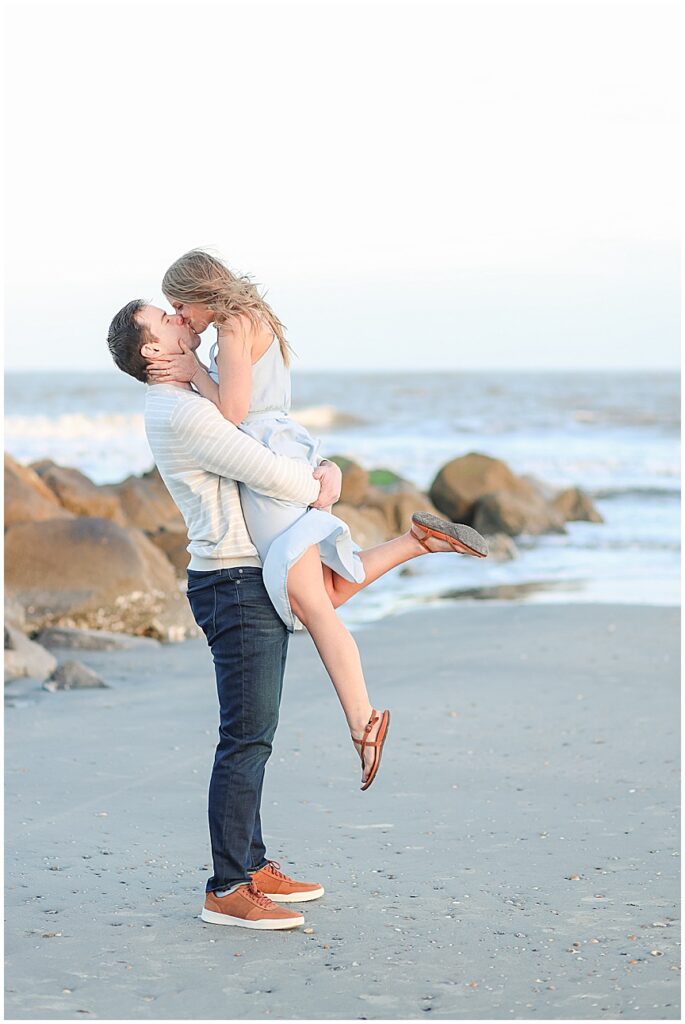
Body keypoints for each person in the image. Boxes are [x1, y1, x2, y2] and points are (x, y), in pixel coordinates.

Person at [106, 295, 486, 930]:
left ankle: (250, 865)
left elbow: (257, 433)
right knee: (246, 736)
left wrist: (319, 467)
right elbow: (268, 472)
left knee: (261, 721)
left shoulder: (190, 399)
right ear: (151, 350)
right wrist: (323, 482)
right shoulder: (179, 413)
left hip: (243, 570)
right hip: (231, 581)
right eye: (164, 318)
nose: (180, 319)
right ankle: (227, 886)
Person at [147, 249, 488, 791]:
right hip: (284, 443)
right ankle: (416, 542)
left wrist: (192, 372)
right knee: (318, 593)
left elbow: (232, 414)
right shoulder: (255, 315)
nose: (181, 317)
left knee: (311, 603)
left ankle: (364, 721)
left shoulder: (232, 327)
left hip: (264, 462)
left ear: (201, 292)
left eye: (180, 305)